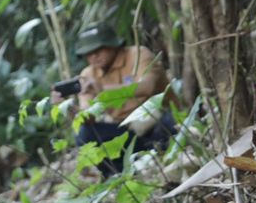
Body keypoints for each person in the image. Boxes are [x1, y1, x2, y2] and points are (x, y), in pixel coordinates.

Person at [53, 23, 173, 175]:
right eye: (89, 53)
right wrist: (67, 107)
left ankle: (161, 158)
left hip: (159, 124)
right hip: (129, 134)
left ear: (113, 44)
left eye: (99, 49)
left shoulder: (138, 54)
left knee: (170, 120)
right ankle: (118, 174)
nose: (94, 56)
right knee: (85, 134)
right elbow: (86, 117)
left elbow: (147, 87)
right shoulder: (88, 75)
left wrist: (102, 90)